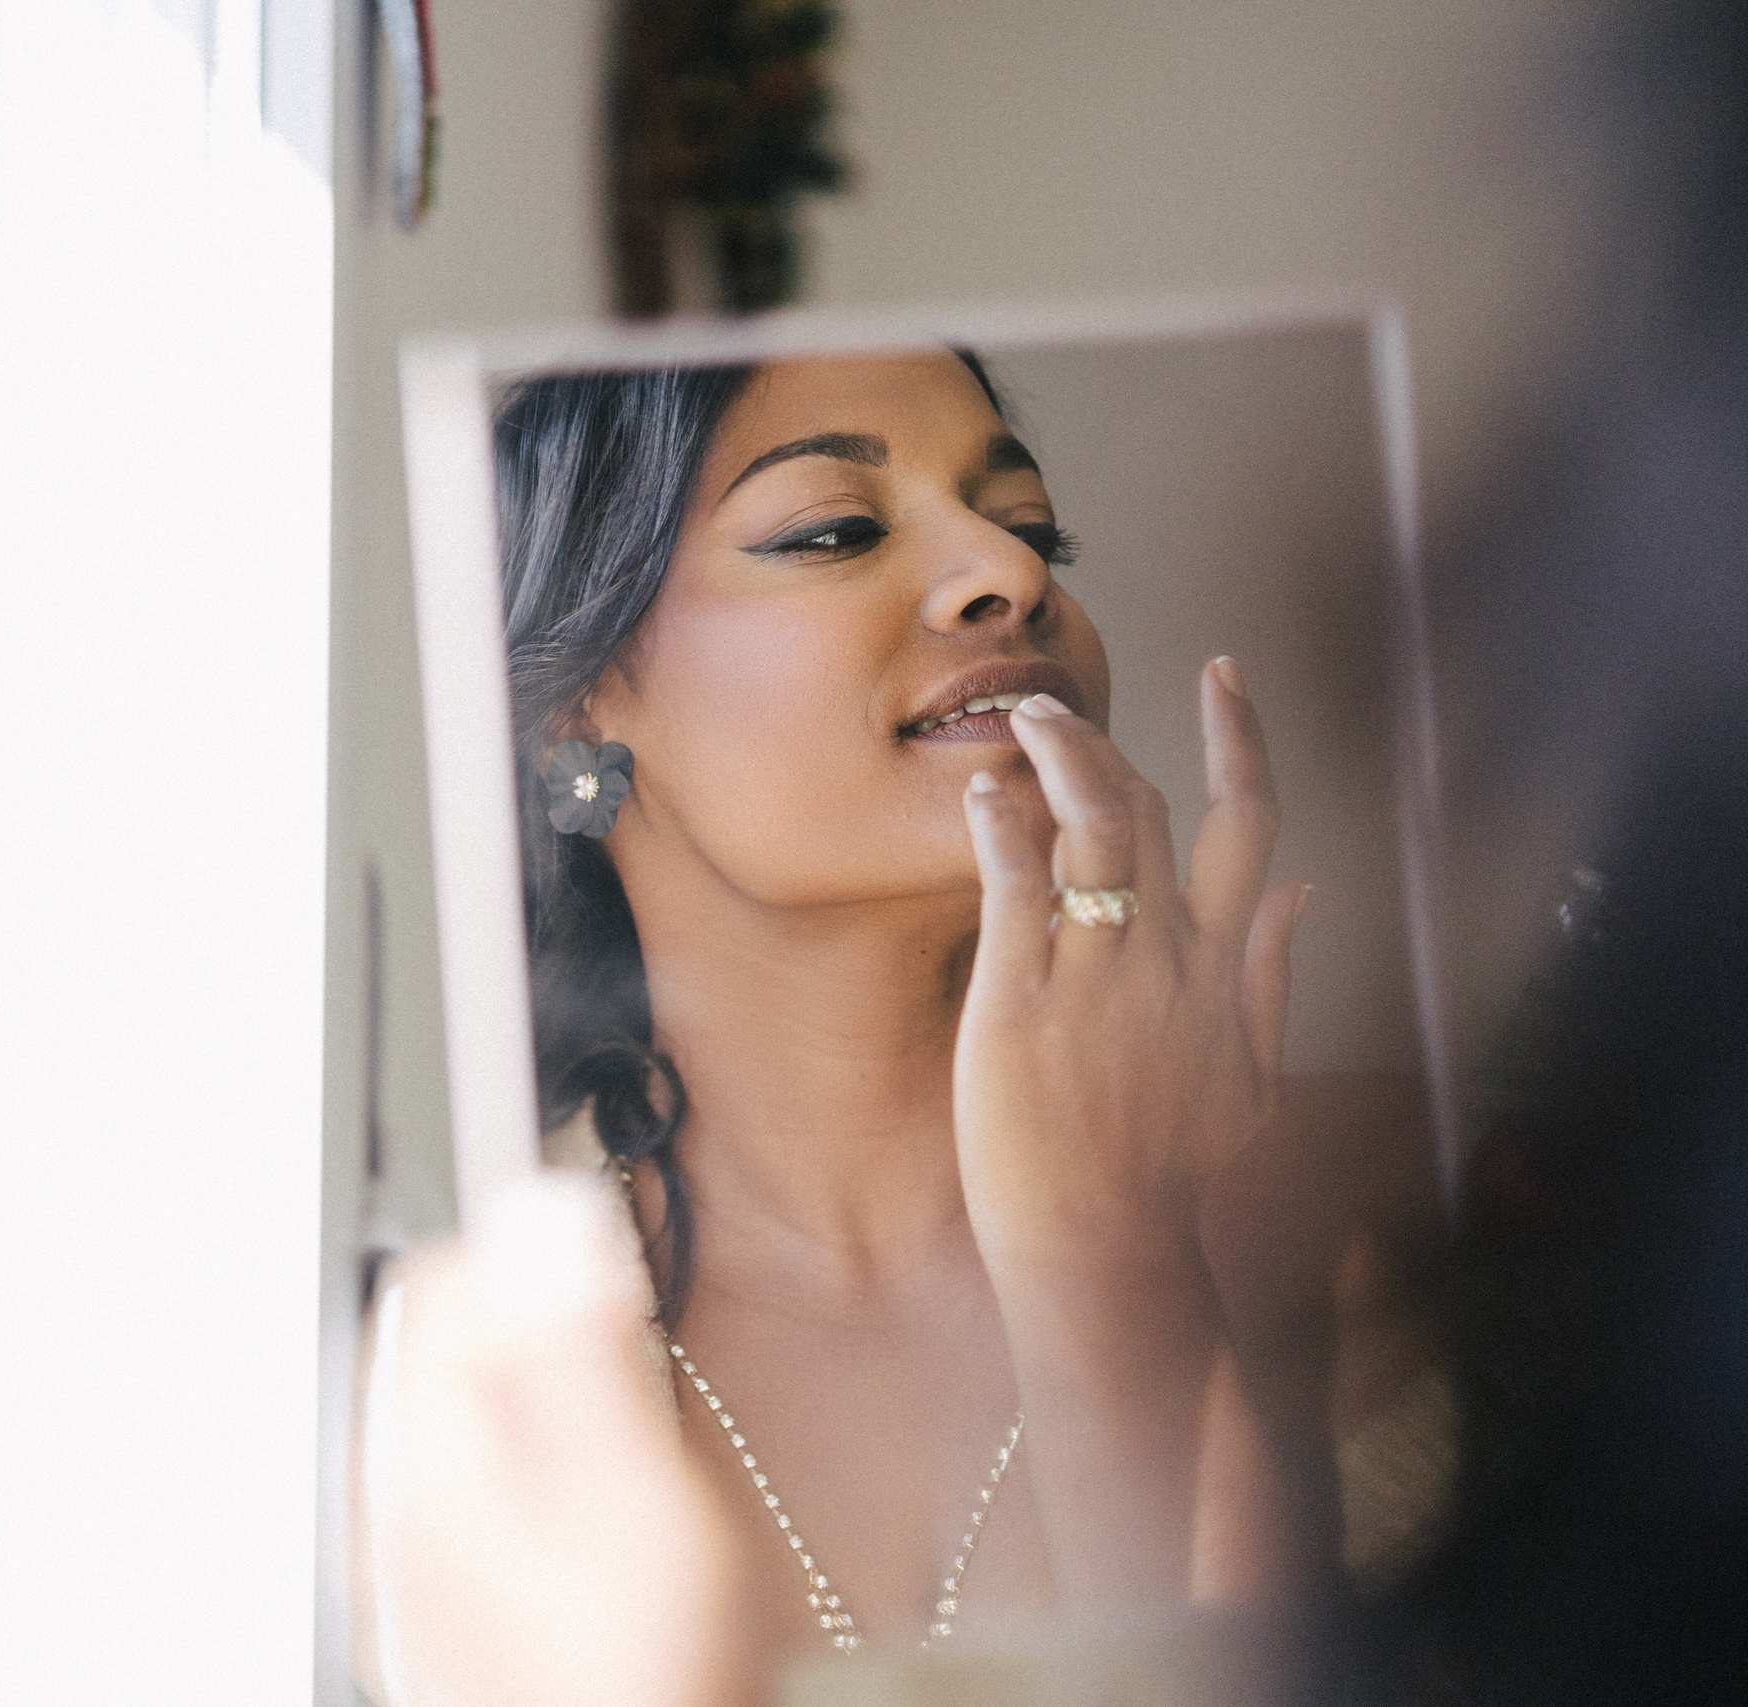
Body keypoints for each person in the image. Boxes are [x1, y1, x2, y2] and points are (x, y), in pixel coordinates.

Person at [384, 348, 1426, 1685]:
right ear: (580, 706)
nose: (1011, 570)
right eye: (834, 530)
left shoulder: (1376, 1210)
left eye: (1031, 524)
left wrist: (1108, 1258)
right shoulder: (491, 1374)